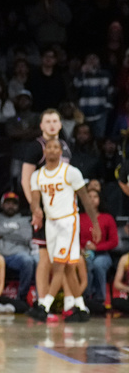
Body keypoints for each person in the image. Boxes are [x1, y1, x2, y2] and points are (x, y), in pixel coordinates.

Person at [27, 138, 99, 323]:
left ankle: (44, 306)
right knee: (67, 268)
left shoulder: (71, 172)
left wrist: (95, 224)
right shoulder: (37, 175)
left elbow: (85, 199)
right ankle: (82, 309)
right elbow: (35, 198)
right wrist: (36, 209)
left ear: (61, 152)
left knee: (58, 264)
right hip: (51, 224)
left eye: (55, 147)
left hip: (68, 222)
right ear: (45, 151)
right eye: (49, 147)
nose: (51, 150)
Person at [19, 109, 81, 317]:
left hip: (63, 212)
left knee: (64, 260)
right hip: (45, 214)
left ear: (61, 124)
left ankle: (68, 304)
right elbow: (26, 180)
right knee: (45, 259)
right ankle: (42, 302)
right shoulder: (35, 147)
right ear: (42, 126)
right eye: (48, 121)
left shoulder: (64, 145)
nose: (52, 125)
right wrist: (35, 209)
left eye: (56, 121)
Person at [0, 192, 37, 304]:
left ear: (18, 206)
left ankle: (21, 298)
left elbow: (26, 237)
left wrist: (0, 232)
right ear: (2, 205)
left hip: (17, 255)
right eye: (8, 203)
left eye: (14, 204)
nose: (11, 206)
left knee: (28, 260)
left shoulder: (25, 220)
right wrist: (15, 231)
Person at [79, 186, 118, 303]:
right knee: (87, 264)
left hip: (103, 253)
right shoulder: (79, 217)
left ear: (100, 199)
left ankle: (100, 299)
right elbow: (75, 237)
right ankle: (85, 298)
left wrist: (97, 247)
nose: (92, 199)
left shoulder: (107, 218)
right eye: (89, 197)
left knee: (98, 264)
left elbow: (114, 241)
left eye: (95, 197)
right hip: (84, 252)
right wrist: (82, 248)